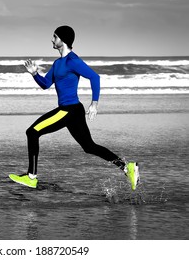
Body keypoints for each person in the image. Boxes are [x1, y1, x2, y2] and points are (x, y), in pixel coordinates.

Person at [9, 25, 140, 190]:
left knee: (32, 132)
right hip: (72, 111)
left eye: (55, 37)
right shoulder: (58, 63)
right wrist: (35, 74)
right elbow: (46, 84)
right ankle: (127, 167)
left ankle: (31, 177)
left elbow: (95, 77)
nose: (52, 39)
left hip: (69, 110)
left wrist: (95, 104)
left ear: (62, 40)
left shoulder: (72, 61)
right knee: (89, 147)